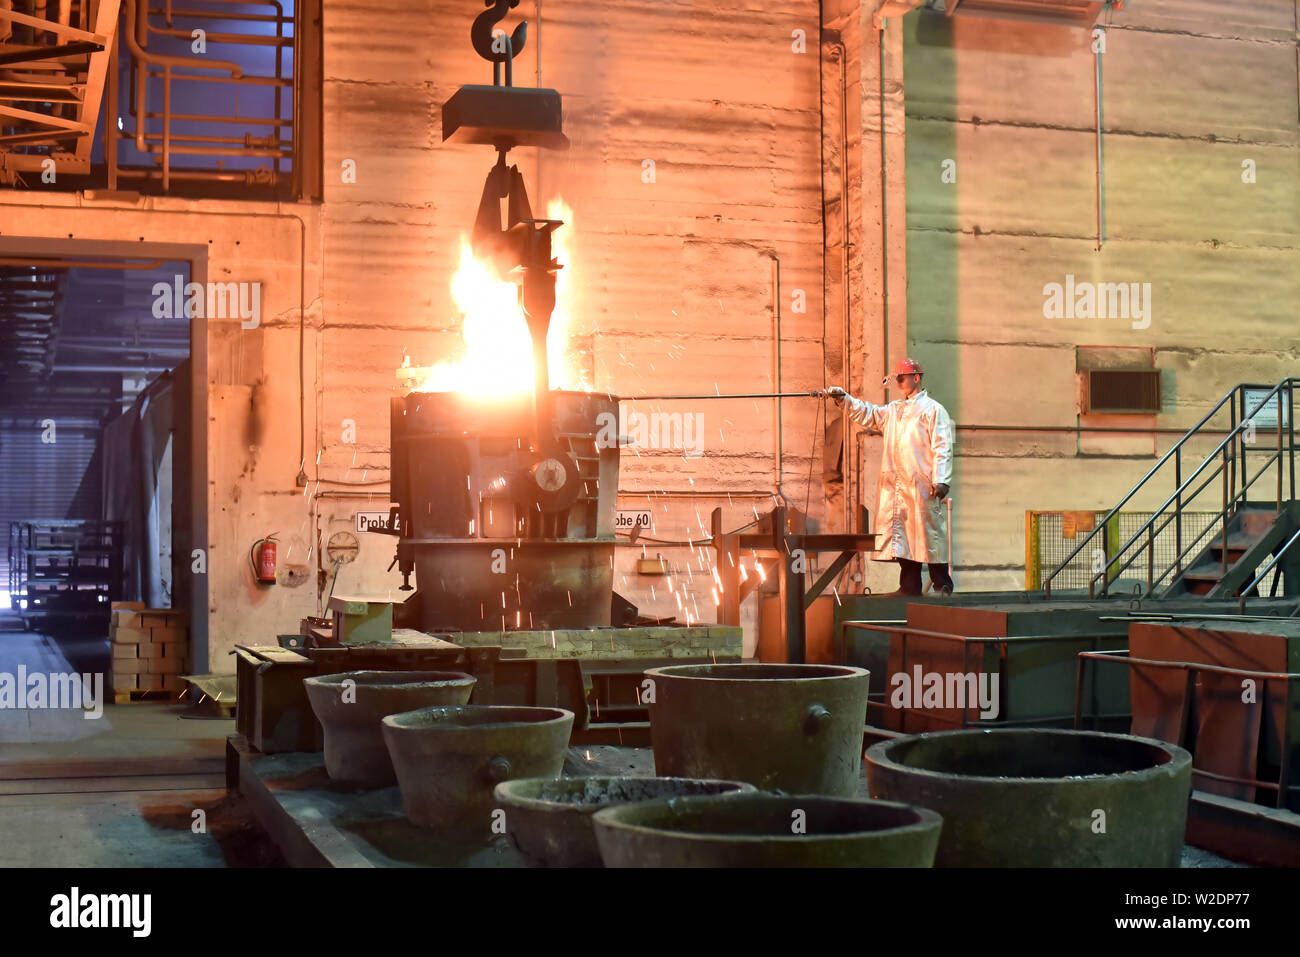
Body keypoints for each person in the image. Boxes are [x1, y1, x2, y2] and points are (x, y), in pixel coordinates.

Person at [828, 358, 955, 595]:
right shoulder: (894, 411)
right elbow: (869, 413)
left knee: (930, 535)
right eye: (897, 378)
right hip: (899, 485)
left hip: (922, 485)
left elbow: (942, 446)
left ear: (916, 378)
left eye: (903, 377)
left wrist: (941, 479)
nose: (899, 382)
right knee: (904, 537)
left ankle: (943, 584)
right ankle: (909, 586)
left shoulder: (933, 410)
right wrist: (843, 399)